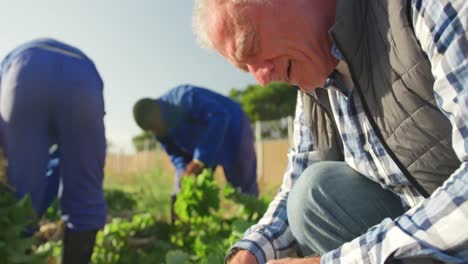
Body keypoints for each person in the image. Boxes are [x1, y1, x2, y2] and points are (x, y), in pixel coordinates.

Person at [192, 0, 468, 263]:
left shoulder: (420, 9)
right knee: (311, 195)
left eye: (251, 47)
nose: (261, 79)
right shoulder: (313, 85)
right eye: (245, 68)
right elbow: (295, 184)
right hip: (423, 230)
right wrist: (251, 252)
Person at [0, 38, 107, 264]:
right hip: (83, 77)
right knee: (85, 190)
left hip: (23, 71)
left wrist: (33, 207)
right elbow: (62, 165)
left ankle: (18, 252)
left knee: (21, 192)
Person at [133, 84, 258, 220]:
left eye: (157, 126)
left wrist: (200, 159)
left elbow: (220, 116)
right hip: (200, 149)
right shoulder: (157, 130)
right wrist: (185, 172)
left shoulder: (185, 97)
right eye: (153, 130)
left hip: (233, 131)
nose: (159, 132)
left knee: (243, 190)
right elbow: (175, 155)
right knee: (185, 185)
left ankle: (254, 225)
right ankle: (189, 226)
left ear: (158, 110)